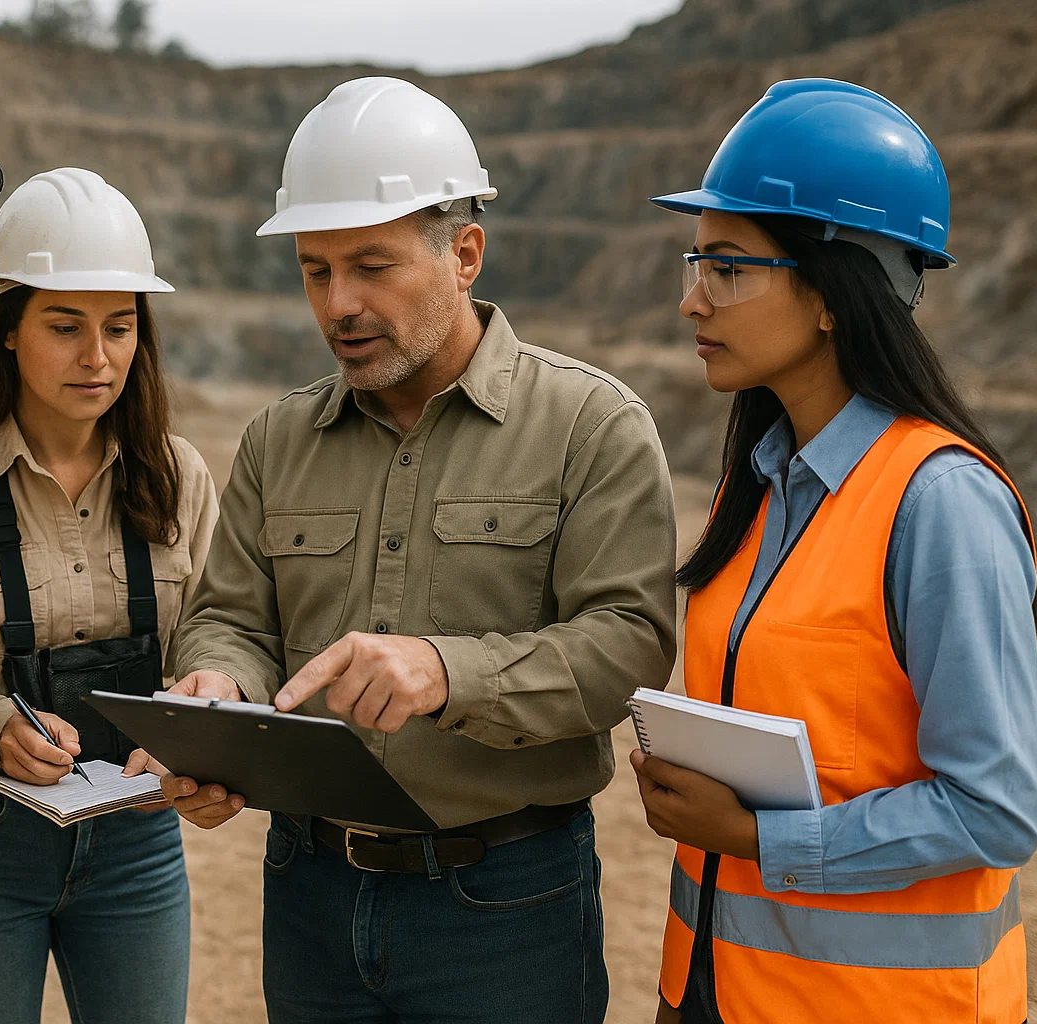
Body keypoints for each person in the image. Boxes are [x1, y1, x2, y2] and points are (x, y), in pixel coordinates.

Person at [161, 76, 678, 1023]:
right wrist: (216, 692)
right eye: (316, 270)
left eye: (372, 265)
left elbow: (628, 646)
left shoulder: (591, 426)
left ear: (465, 252)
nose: (339, 304)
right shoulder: (280, 441)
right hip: (307, 892)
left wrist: (448, 671)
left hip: (506, 907)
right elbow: (230, 617)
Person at [632, 78, 1037, 1024]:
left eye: (728, 268)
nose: (693, 301)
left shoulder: (942, 504)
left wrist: (752, 835)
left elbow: (995, 808)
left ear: (831, 296)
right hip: (711, 993)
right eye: (693, 263)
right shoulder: (767, 485)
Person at [0, 167, 219, 1024]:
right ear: (7, 328)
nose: (98, 356)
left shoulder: (180, 476)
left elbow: (212, 641)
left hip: (139, 847)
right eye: (65, 326)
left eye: (120, 327)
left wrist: (196, 722)